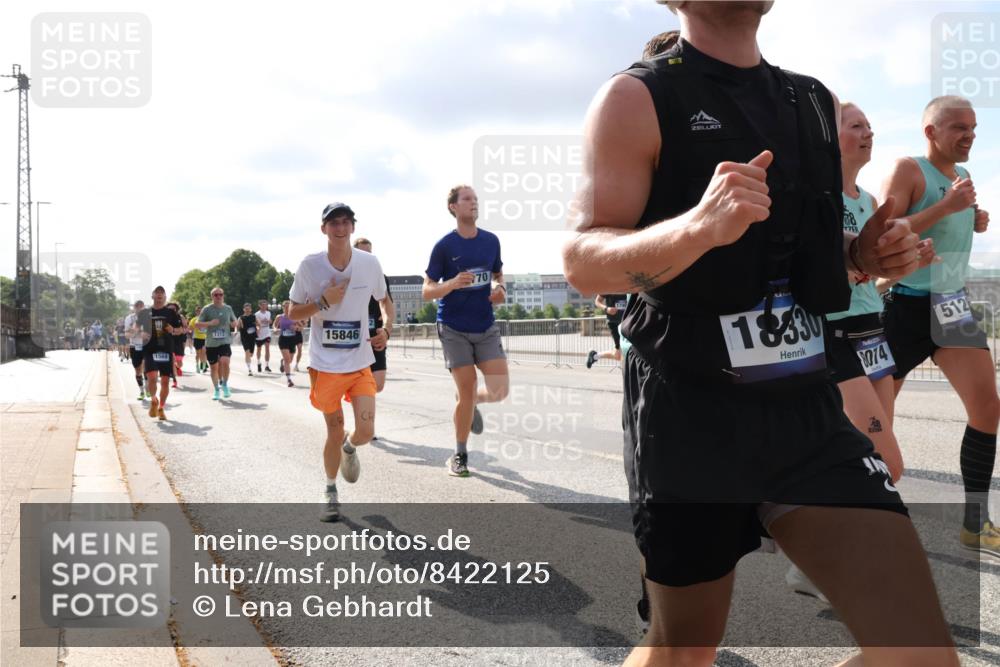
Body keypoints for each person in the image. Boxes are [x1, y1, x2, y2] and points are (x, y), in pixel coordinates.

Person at [562, 2, 956, 665]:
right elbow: (582, 259)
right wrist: (695, 228)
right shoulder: (635, 97)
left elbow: (800, 246)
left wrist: (862, 254)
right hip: (691, 416)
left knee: (917, 651)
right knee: (683, 648)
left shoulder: (811, 100)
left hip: (807, 406)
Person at [881, 94, 999, 558]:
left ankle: (975, 522)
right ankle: (865, 525)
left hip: (951, 304)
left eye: (973, 128)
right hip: (904, 306)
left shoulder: (963, 177)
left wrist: (976, 220)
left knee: (988, 409)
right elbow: (885, 232)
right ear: (931, 132)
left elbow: (949, 227)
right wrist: (948, 208)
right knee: (877, 426)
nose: (969, 135)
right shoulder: (908, 169)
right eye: (959, 128)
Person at [288, 202, 392, 522]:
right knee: (334, 431)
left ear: (352, 227)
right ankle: (330, 491)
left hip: (360, 360)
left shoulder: (369, 263)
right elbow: (292, 314)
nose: (340, 227)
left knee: (365, 430)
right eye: (334, 222)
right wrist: (322, 302)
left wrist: (386, 328)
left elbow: (385, 301)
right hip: (325, 365)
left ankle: (351, 448)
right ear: (324, 228)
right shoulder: (310, 266)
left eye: (346, 222)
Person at [423, 185, 509, 477]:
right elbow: (427, 291)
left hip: (485, 325)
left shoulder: (491, 241)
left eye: (476, 199)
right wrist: (451, 284)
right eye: (467, 199)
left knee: (499, 390)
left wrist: (500, 288)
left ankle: (469, 405)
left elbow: (498, 274)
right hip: (453, 327)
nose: (474, 203)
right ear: (453, 208)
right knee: (467, 389)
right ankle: (459, 454)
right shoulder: (444, 246)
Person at [354, 237, 396, 394]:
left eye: (370, 254)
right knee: (358, 385)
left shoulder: (380, 276)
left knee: (378, 384)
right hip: (354, 335)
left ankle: (360, 401)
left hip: (375, 334)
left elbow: (387, 303)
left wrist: (386, 328)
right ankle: (362, 407)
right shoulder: (346, 274)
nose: (367, 258)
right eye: (363, 253)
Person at [138, 287, 180, 421]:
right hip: (150, 349)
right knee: (152, 377)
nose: (159, 295)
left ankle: (161, 407)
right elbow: (133, 330)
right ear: (153, 296)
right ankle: (154, 399)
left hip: (166, 349)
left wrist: (173, 329)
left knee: (165, 382)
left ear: (165, 297)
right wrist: (140, 334)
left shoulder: (171, 312)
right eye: (157, 293)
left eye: (162, 293)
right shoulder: (145, 312)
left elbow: (182, 330)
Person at [195, 287, 238, 400]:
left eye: (220, 294)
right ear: (212, 297)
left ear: (223, 296)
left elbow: (235, 321)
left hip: (225, 341)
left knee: (225, 361)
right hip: (211, 343)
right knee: (214, 368)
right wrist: (210, 323)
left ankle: (224, 384)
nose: (218, 297)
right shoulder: (207, 309)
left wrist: (234, 324)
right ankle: (216, 389)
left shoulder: (228, 308)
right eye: (216, 295)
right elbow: (198, 324)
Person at [586, 293, 627, 369]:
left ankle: (594, 356)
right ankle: (628, 375)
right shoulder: (608, 285)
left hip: (627, 321)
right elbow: (597, 301)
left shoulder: (627, 285)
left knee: (617, 355)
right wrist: (606, 309)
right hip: (614, 323)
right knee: (624, 351)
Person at [124, 300, 147, 401]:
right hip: (134, 346)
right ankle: (142, 391)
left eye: (141, 306)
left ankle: (148, 388)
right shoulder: (129, 318)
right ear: (134, 308)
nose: (139, 308)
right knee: (138, 371)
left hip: (147, 345)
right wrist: (137, 334)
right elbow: (127, 334)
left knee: (147, 368)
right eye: (137, 307)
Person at [275, 301, 299, 387]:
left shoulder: (295, 316)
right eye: (285, 307)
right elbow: (274, 325)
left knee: (289, 360)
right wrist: (275, 329)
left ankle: (282, 362)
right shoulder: (279, 317)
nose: (286, 308)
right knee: (287, 360)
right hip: (283, 339)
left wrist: (296, 327)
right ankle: (289, 380)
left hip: (292, 339)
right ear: (282, 308)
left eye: (288, 307)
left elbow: (300, 326)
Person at [167, 303, 187, 388]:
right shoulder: (165, 318)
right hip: (168, 341)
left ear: (177, 309)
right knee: (171, 360)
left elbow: (186, 328)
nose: (172, 310)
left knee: (179, 363)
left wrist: (179, 330)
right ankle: (174, 380)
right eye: (169, 309)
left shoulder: (180, 317)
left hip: (179, 341)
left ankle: (177, 367)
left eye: (173, 309)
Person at [235, 303, 258, 375]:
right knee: (247, 352)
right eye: (246, 309)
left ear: (251, 309)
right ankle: (249, 369)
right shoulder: (241, 317)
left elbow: (258, 324)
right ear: (244, 309)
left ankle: (248, 362)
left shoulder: (254, 317)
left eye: (249, 309)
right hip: (244, 337)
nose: (247, 310)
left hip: (252, 337)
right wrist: (236, 331)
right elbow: (237, 326)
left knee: (251, 354)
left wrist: (258, 328)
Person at [254, 300, 273, 373]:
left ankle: (267, 366)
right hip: (259, 334)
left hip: (267, 332)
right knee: (259, 349)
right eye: (263, 305)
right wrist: (259, 325)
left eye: (266, 305)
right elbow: (256, 323)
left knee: (267, 348)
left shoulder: (269, 313)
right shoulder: (257, 314)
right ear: (260, 306)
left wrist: (269, 321)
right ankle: (259, 363)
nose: (265, 306)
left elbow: (270, 321)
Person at [191, 305, 208, 373]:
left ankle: (203, 366)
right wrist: (195, 327)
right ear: (196, 312)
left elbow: (209, 327)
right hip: (197, 338)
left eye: (201, 311)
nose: (199, 312)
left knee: (204, 352)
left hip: (205, 338)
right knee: (198, 354)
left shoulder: (206, 319)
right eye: (198, 311)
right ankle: (197, 366)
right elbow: (190, 328)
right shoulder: (194, 319)